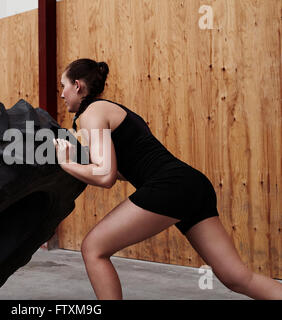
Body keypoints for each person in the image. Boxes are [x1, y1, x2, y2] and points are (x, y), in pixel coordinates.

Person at [53, 58, 282, 300]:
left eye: (63, 86)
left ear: (77, 86)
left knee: (93, 248)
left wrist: (66, 163)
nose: (61, 94)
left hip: (170, 186)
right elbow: (121, 170)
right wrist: (80, 166)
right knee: (238, 278)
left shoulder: (91, 113)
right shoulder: (109, 109)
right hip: (191, 184)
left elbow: (105, 175)